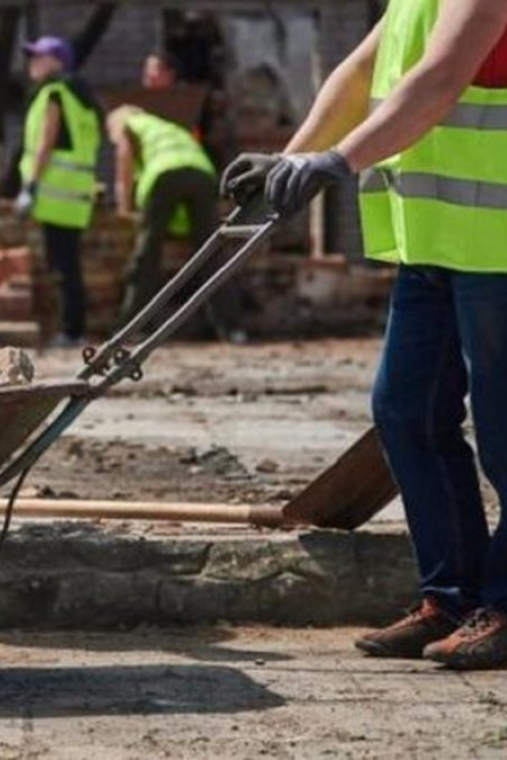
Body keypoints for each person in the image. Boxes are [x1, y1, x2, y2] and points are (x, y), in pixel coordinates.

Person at [223, 0, 507, 670]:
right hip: (435, 242)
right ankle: (453, 598)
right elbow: (360, 72)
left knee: (504, 434)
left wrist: (338, 161)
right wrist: (288, 162)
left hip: (497, 246)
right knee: (404, 412)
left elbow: (438, 79)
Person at [106, 105, 237, 338]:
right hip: (202, 173)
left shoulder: (127, 124)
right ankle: (231, 328)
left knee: (147, 253)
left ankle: (130, 325)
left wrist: (124, 206)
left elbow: (124, 158)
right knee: (211, 252)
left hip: (164, 174)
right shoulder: (168, 126)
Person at [17, 36, 101, 347]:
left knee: (63, 265)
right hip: (76, 193)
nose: (32, 63)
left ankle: (71, 331)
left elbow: (45, 143)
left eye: (40, 57)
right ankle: (72, 329)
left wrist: (30, 186)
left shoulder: (54, 93)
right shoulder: (82, 97)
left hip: (55, 192)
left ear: (58, 61)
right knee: (68, 262)